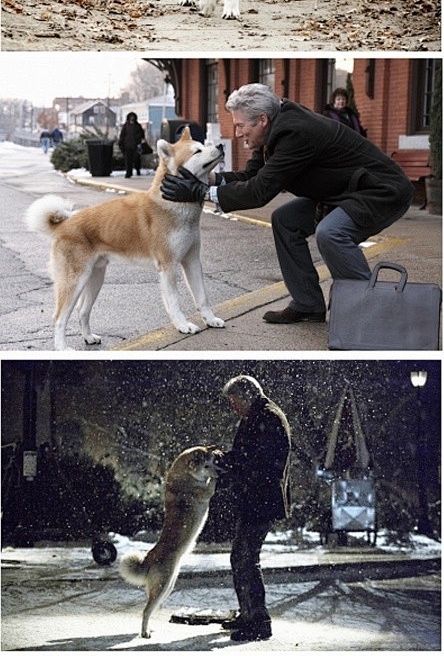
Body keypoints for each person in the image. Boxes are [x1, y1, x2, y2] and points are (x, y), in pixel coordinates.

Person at [161, 83, 414, 324]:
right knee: (285, 221)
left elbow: (260, 191)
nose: (237, 134)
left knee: (331, 233)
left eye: (240, 126)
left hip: (380, 191)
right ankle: (307, 304)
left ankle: (374, 310)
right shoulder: (273, 127)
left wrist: (200, 192)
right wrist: (207, 178)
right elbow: (252, 176)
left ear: (262, 120)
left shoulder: (295, 132)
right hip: (343, 192)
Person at [214, 375, 291, 642]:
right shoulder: (259, 415)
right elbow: (249, 454)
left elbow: (262, 461)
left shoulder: (267, 418)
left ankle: (258, 621)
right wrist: (228, 459)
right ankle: (249, 614)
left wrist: (232, 463)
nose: (233, 408)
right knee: (242, 558)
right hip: (256, 498)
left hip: (261, 499)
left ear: (246, 397)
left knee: (246, 559)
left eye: (234, 402)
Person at [118, 112, 145, 178]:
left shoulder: (138, 125)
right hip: (127, 146)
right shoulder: (125, 126)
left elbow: (142, 135)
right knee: (128, 160)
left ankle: (137, 169)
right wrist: (121, 143)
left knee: (136, 159)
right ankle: (128, 173)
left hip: (136, 146)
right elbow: (122, 135)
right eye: (131, 117)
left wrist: (138, 141)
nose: (132, 118)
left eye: (133, 117)